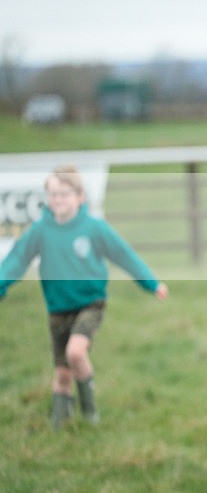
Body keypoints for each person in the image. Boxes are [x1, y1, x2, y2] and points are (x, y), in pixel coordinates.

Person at [0, 166, 169, 429]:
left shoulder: (94, 228)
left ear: (80, 197)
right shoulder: (40, 230)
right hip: (57, 309)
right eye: (53, 194)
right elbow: (17, 259)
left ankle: (90, 413)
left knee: (75, 353)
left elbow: (124, 255)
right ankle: (61, 428)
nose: (58, 200)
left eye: (64, 194)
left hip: (91, 304)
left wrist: (151, 283)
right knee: (62, 374)